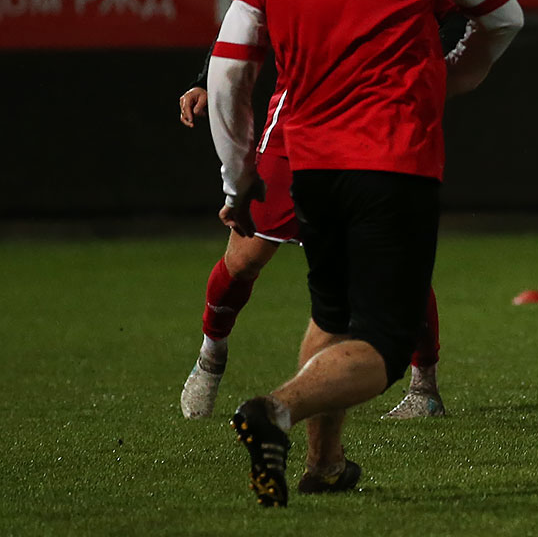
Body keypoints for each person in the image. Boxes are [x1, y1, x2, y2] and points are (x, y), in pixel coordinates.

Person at [207, 0, 522, 506]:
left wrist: (237, 178)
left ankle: (324, 465)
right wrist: (458, 72)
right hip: (394, 161)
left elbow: (227, 74)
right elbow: (505, 12)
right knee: (381, 349)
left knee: (332, 317)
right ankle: (275, 410)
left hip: (312, 169)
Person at [177, 76, 446, 422]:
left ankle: (424, 387)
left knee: (394, 258)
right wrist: (207, 78)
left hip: (372, 119)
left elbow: (465, 43)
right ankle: (211, 355)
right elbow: (243, 40)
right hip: (297, 119)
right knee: (243, 259)